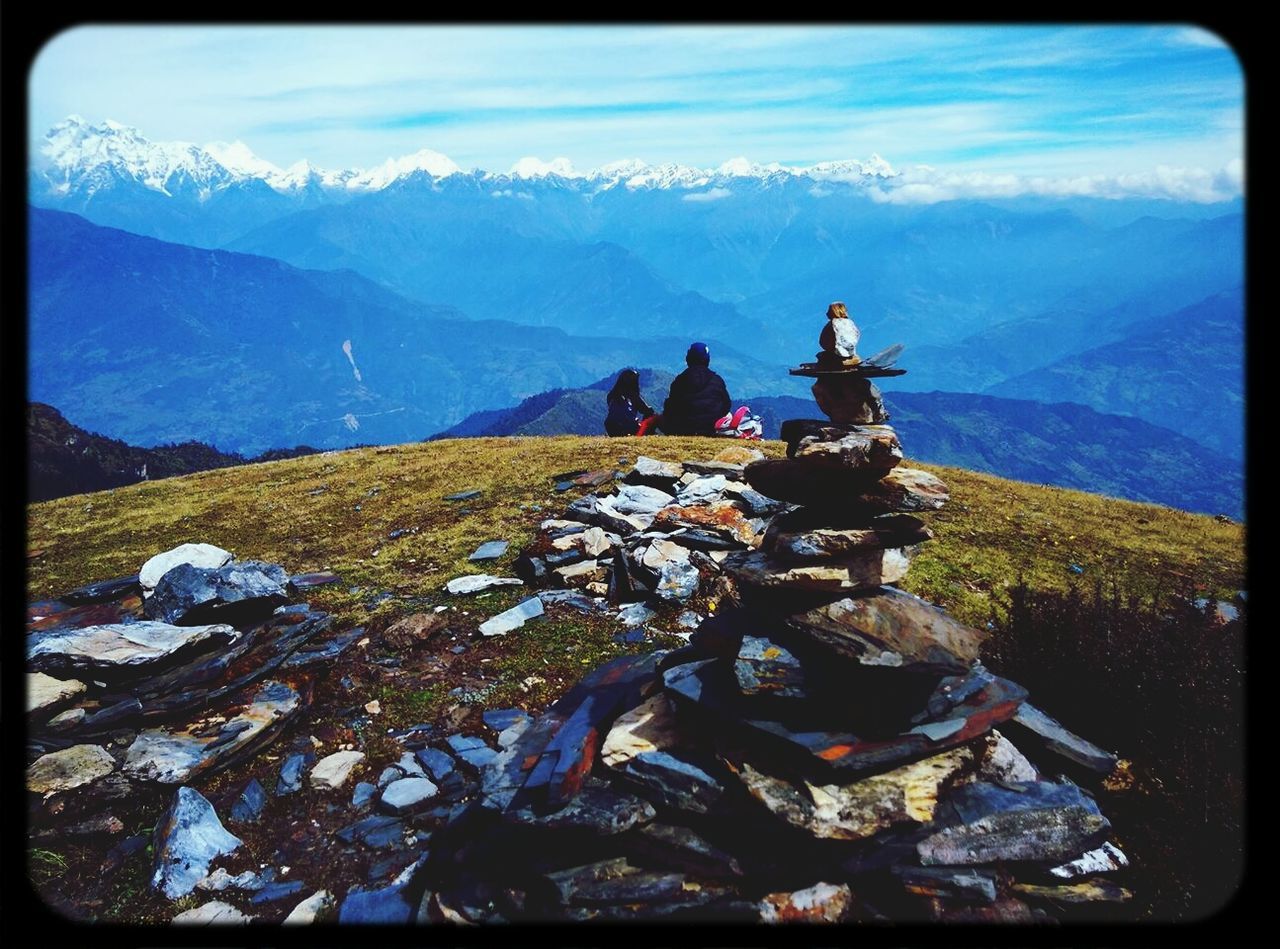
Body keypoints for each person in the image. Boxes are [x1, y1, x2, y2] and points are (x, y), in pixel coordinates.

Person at [658, 342, 731, 436]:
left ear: (688, 358)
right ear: (707, 359)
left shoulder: (680, 381)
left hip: (682, 429)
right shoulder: (717, 380)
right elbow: (726, 406)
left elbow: (671, 407)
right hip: (711, 429)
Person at [604, 368, 656, 436]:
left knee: (650, 412)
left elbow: (646, 409)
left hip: (620, 426)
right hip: (619, 426)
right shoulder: (617, 397)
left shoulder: (631, 396)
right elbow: (624, 416)